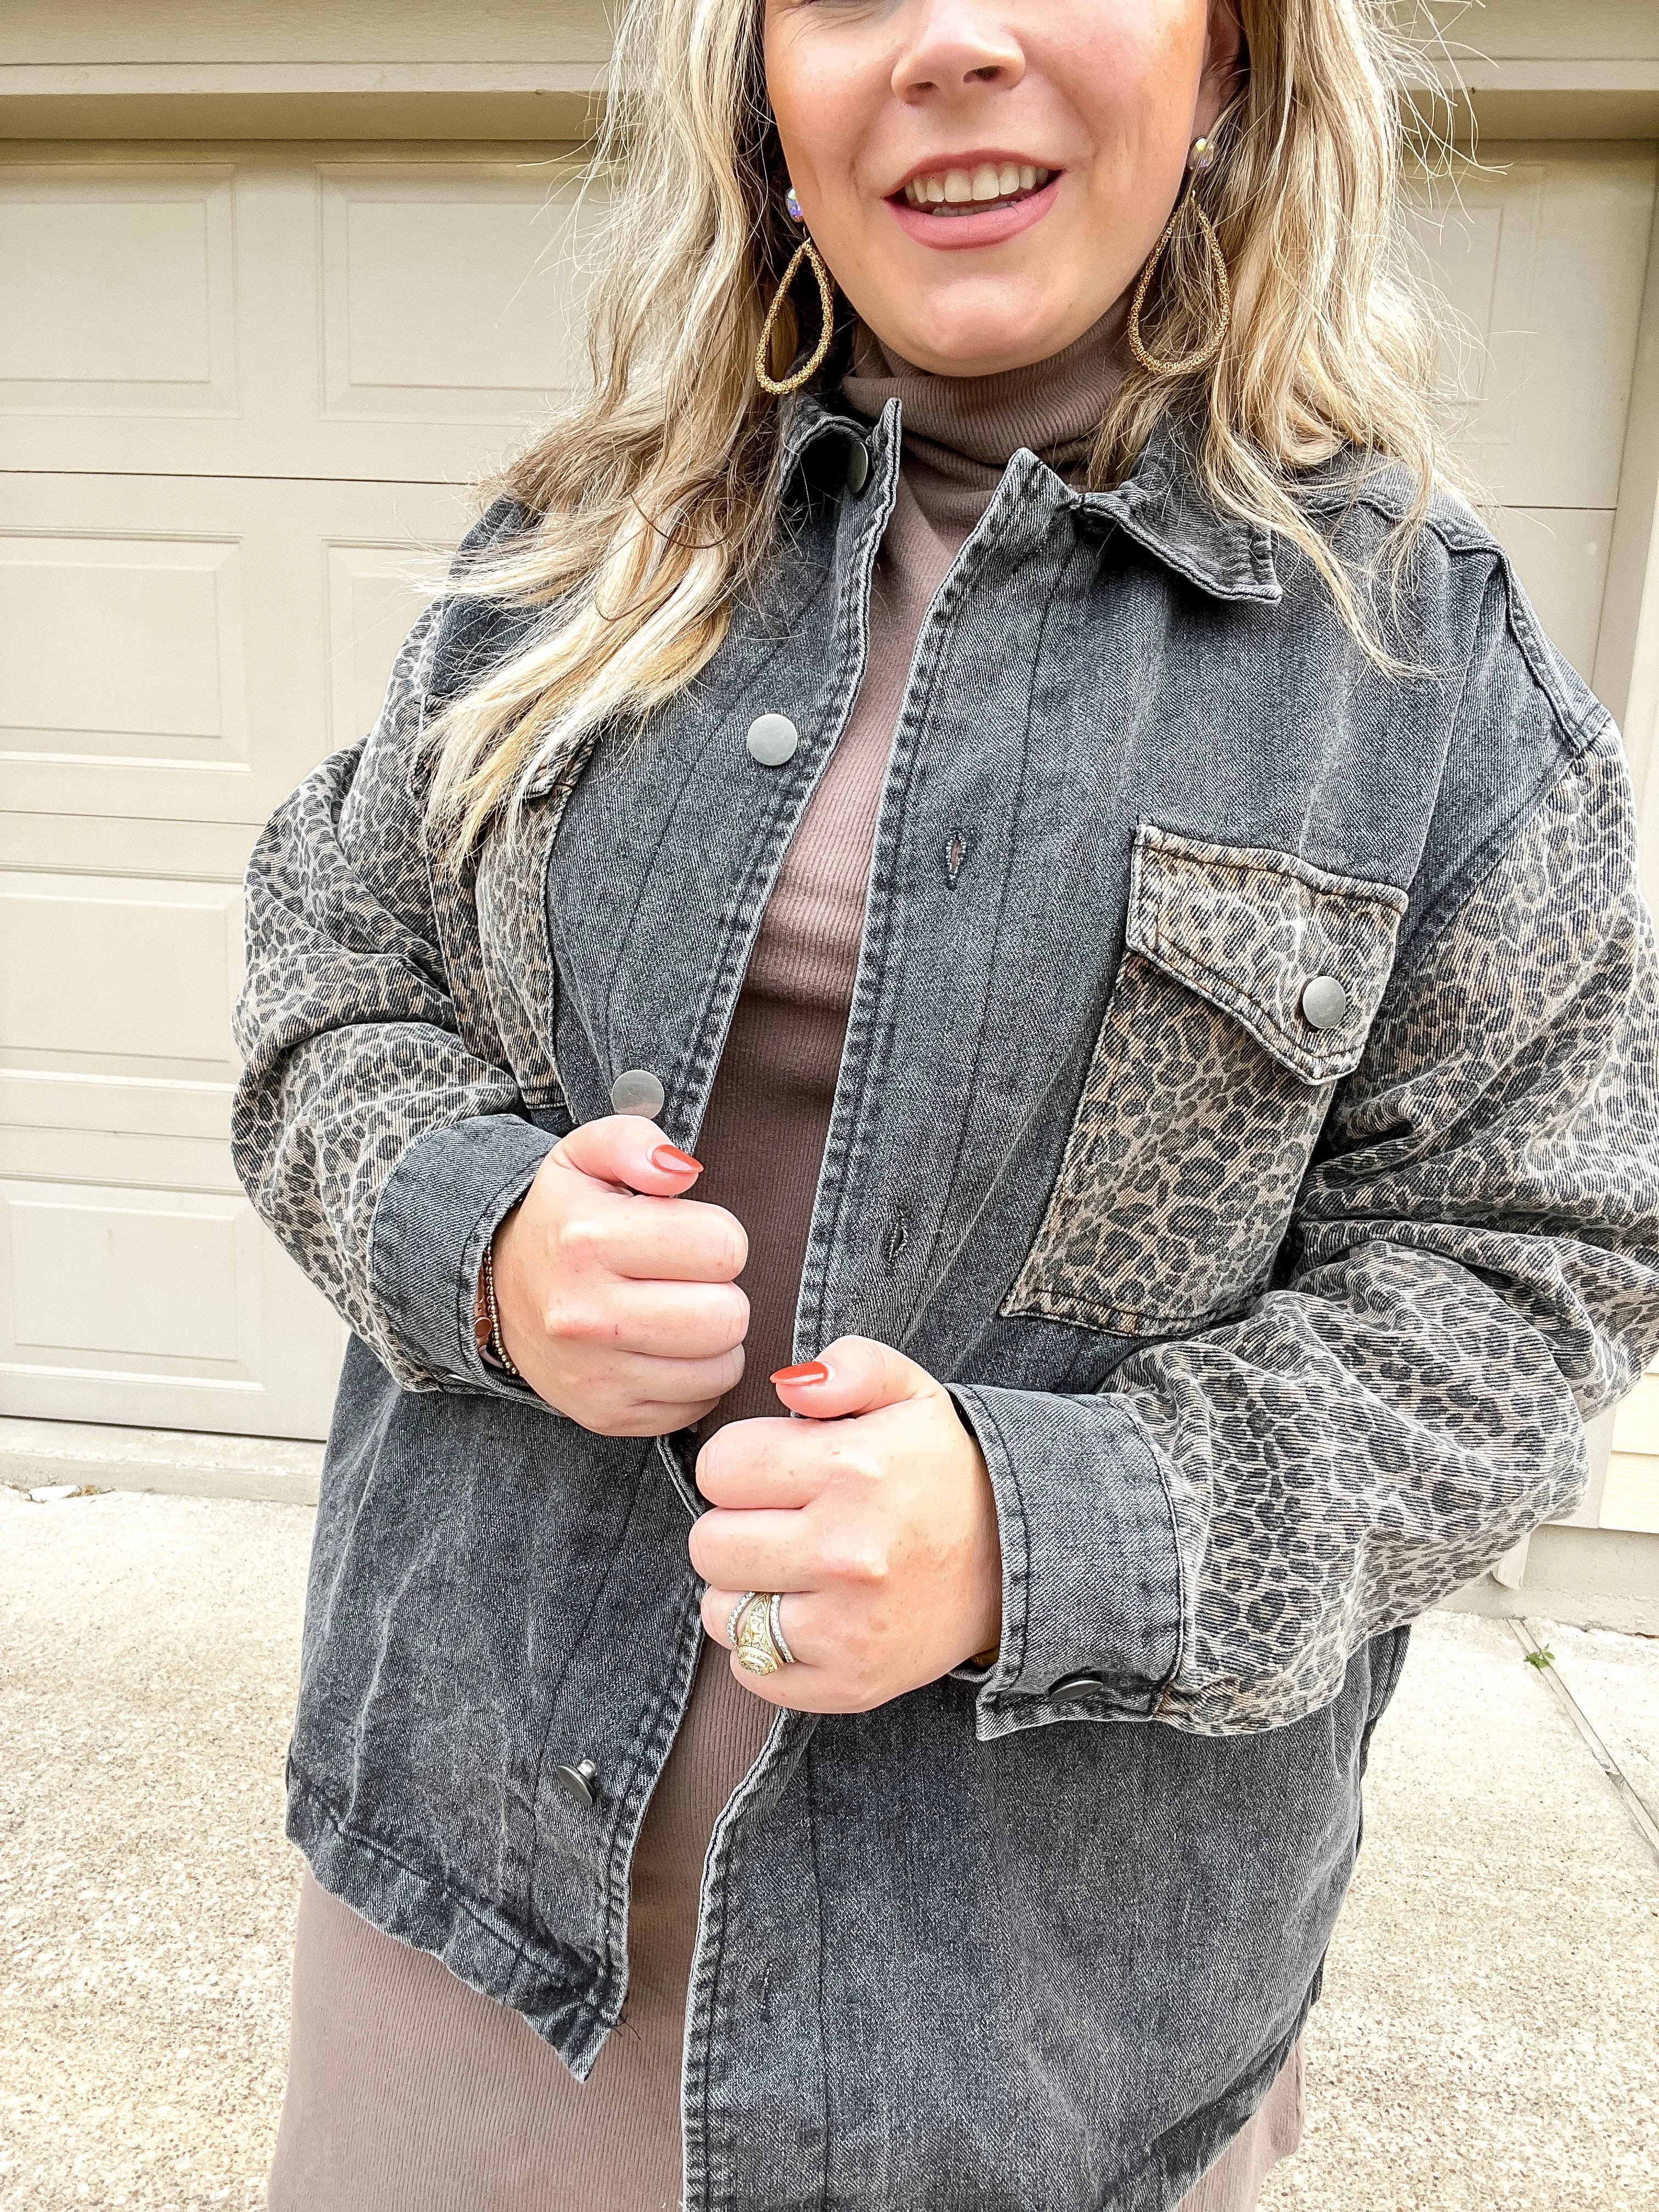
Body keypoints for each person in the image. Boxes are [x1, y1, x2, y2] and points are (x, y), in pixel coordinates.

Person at [235, 1, 1659, 2206]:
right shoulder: (581, 550)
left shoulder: (1422, 687)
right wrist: (479, 1228)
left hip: (1049, 2025)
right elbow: (324, 972)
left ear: (1237, 63)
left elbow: (1534, 1287)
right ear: (762, 93)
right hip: (482, 1925)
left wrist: (1048, 1526)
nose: (959, 40)